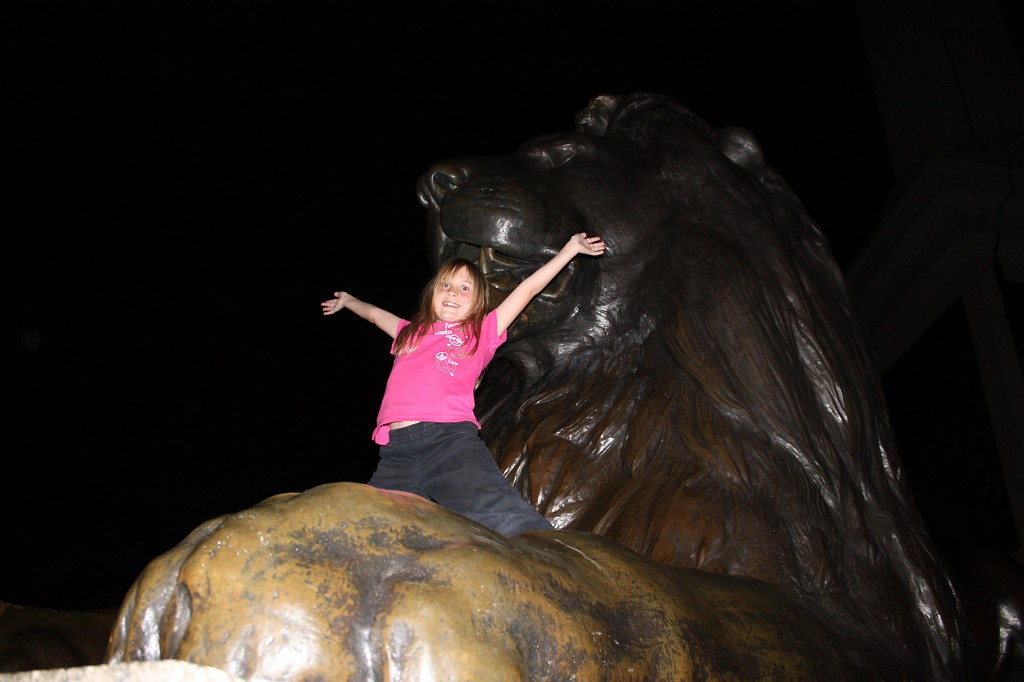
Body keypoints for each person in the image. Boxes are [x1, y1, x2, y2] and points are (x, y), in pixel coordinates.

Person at [321, 232, 606, 534]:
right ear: (432, 294)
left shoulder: (480, 333)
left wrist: (570, 249)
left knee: (504, 516)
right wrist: (349, 301)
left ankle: (559, 567)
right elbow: (376, 316)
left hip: (448, 444)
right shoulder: (410, 333)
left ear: (478, 304)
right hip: (396, 455)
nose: (452, 292)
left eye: (464, 288)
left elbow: (527, 290)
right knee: (373, 529)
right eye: (445, 285)